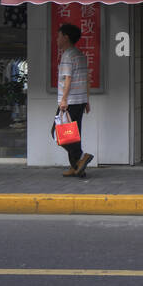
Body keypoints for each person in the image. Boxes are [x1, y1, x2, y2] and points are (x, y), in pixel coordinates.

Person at [56, 22, 92, 177]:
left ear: (66, 37)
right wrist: (87, 100)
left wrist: (63, 100)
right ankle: (76, 167)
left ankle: (81, 157)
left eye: (59, 36)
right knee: (73, 133)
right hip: (80, 100)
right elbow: (86, 79)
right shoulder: (80, 54)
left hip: (70, 101)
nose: (57, 39)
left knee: (58, 133)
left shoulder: (67, 55)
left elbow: (68, 79)